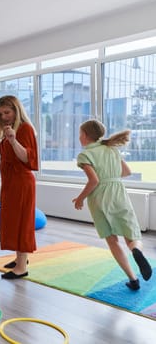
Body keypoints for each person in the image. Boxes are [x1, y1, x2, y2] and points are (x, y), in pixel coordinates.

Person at [73, 120, 152, 290]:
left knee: (112, 239)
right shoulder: (112, 149)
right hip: (118, 193)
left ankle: (133, 279)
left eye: (80, 134)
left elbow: (94, 180)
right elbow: (127, 172)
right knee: (131, 235)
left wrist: (80, 198)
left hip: (99, 198)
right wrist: (112, 177)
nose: (79, 137)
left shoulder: (85, 155)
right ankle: (136, 250)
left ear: (85, 136)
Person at [0, 95, 38, 279]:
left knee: (21, 222)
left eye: (7, 112)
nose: (4, 117)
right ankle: (20, 258)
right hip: (10, 182)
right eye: (1, 113)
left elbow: (28, 158)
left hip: (21, 182)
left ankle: (22, 267)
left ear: (16, 110)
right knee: (12, 220)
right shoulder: (7, 129)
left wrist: (12, 140)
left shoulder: (25, 129)